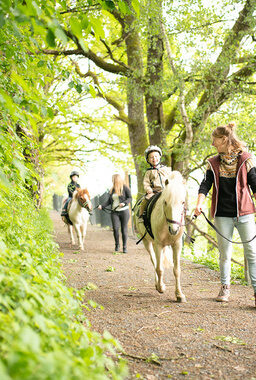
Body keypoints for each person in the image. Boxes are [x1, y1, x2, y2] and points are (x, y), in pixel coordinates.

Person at [194, 122, 256, 307]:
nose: (213, 144)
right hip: (222, 214)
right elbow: (205, 185)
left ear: (224, 139)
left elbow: (255, 183)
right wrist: (199, 204)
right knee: (225, 254)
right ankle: (225, 287)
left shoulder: (246, 159)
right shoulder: (213, 162)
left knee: (252, 253)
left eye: (215, 140)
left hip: (244, 213)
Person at [98, 174, 132, 253]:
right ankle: (117, 245)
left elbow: (130, 198)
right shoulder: (112, 189)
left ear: (118, 180)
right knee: (116, 229)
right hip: (114, 212)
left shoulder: (125, 188)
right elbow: (109, 201)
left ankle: (124, 247)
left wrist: (124, 203)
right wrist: (102, 206)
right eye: (113, 180)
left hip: (124, 211)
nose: (113, 181)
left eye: (114, 179)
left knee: (124, 229)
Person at [140, 145, 172, 216]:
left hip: (166, 191)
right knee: (146, 199)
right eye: (151, 157)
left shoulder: (166, 169)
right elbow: (146, 183)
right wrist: (148, 189)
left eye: (156, 156)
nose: (154, 158)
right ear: (148, 160)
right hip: (155, 192)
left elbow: (171, 179)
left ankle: (183, 212)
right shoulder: (148, 172)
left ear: (159, 157)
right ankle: (141, 215)